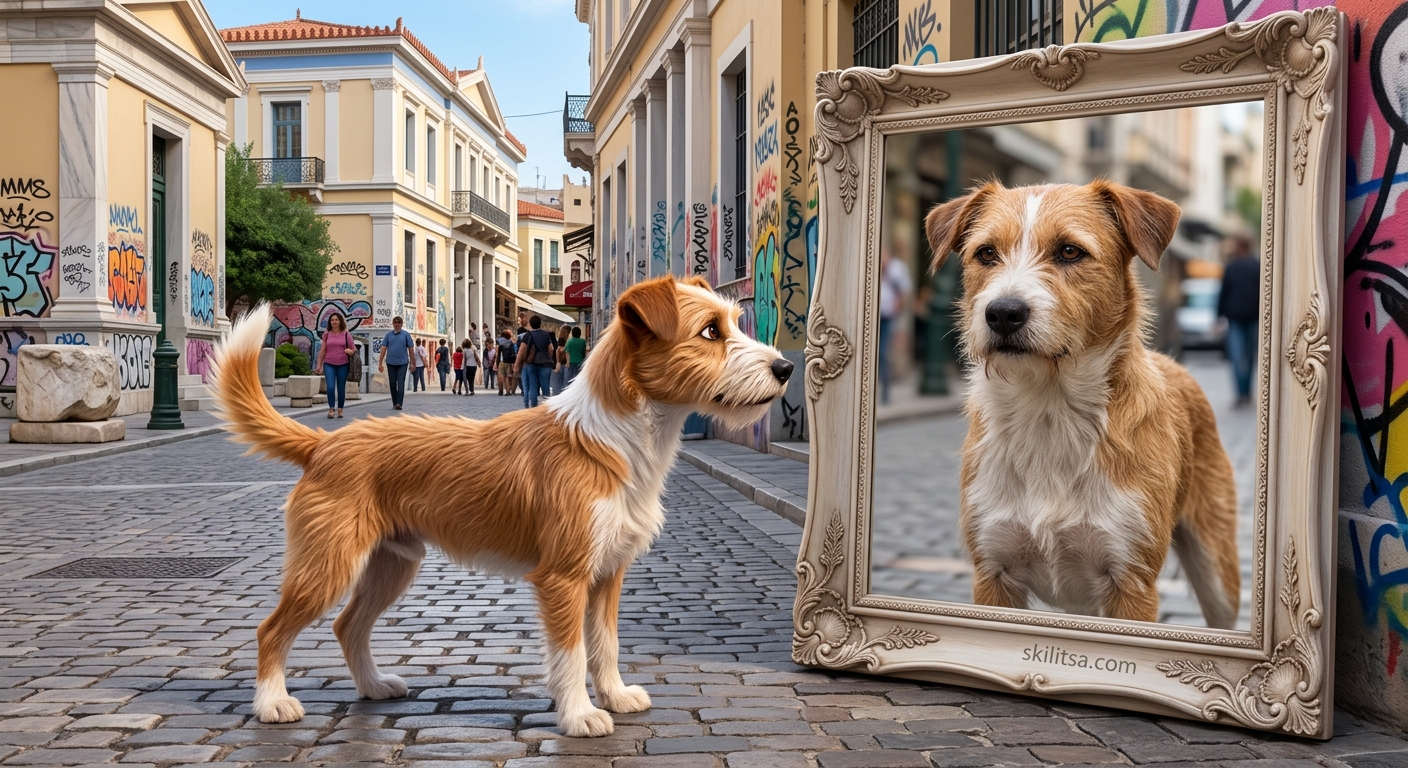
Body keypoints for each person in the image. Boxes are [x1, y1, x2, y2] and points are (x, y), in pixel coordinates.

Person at [1218, 236, 1261, 408]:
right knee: (1249, 357)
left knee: (1236, 357)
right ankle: (1246, 392)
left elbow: (1223, 292)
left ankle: (1240, 393)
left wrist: (1219, 316)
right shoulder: (1257, 266)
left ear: (1239, 247)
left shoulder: (1231, 267)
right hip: (1253, 317)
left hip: (1235, 318)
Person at [877, 248, 912, 405]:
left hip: (888, 317)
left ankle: (884, 390)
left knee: (882, 353)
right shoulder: (874, 268)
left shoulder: (896, 270)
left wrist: (898, 311)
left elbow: (904, 291)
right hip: (875, 317)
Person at [314, 313, 355, 419]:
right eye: (332, 320)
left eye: (336, 320)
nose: (334, 322)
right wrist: (319, 365)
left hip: (343, 364)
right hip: (329, 363)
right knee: (331, 387)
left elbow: (353, 348)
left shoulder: (346, 334)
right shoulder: (327, 334)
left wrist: (349, 351)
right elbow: (322, 350)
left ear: (340, 321)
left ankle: (340, 409)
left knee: (341, 388)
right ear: (330, 322)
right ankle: (331, 408)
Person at [515, 314, 557, 408]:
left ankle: (533, 407)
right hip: (545, 364)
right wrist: (548, 357)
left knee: (533, 387)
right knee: (546, 387)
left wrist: (517, 365)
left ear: (530, 324)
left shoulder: (528, 335)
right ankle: (547, 407)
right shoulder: (546, 334)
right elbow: (551, 348)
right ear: (540, 324)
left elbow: (522, 350)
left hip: (532, 363)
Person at [377, 316, 414, 410]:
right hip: (391, 363)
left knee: (401, 383)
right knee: (392, 383)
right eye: (395, 322)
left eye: (398, 322)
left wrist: (413, 363)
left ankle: (399, 403)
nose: (396, 324)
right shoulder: (388, 335)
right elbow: (383, 349)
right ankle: (394, 402)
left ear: (401, 324)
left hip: (402, 363)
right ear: (393, 324)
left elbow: (411, 349)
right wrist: (380, 362)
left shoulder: (406, 335)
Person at [550, 325, 572, 396]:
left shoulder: (561, 340)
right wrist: (558, 362)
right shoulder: (563, 341)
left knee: (560, 385)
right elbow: (558, 350)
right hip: (562, 363)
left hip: (561, 363)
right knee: (563, 385)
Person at [497, 329, 518, 396]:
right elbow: (514, 353)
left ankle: (500, 391)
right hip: (509, 362)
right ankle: (508, 391)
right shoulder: (511, 342)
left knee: (500, 376)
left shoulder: (500, 342)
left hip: (502, 361)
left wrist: (497, 362)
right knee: (507, 377)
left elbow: (498, 353)